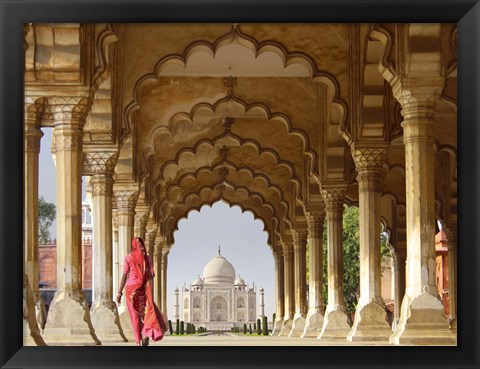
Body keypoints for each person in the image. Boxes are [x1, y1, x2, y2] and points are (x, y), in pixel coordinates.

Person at [116, 237, 167, 346]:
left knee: (134, 316)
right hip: (143, 289)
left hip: (131, 291)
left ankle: (138, 341)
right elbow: (152, 275)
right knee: (145, 313)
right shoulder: (147, 258)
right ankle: (145, 334)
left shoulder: (128, 258)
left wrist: (119, 292)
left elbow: (124, 275)